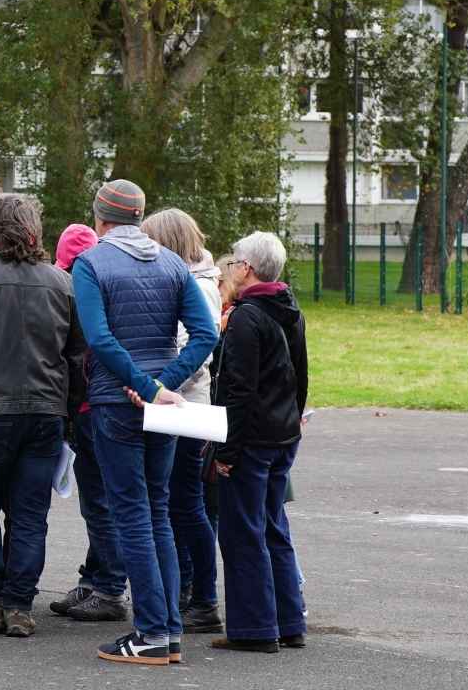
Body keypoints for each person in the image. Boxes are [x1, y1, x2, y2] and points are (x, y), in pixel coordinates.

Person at [71, 180, 217, 666]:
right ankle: (169, 631)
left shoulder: (92, 263)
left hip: (117, 401)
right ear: (140, 215)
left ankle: (152, 632)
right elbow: (205, 334)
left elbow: (99, 338)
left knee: (132, 513)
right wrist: (164, 383)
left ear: (100, 218)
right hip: (163, 405)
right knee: (158, 513)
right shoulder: (173, 263)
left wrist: (146, 385)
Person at [0, 195, 85, 638]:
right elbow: (77, 357)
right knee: (29, 513)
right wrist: (69, 415)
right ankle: (19, 605)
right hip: (45, 413)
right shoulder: (61, 283)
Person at [209, 232, 309, 654]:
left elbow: (239, 390)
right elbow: (300, 375)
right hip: (283, 433)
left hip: (252, 439)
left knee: (243, 531)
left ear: (246, 269)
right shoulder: (289, 309)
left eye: (233, 262)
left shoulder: (248, 317)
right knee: (272, 527)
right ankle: (289, 620)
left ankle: (254, 628)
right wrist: (293, 420)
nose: (230, 269)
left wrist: (226, 451)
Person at [140, 208, 225, 634]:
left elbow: (200, 348)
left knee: (186, 504)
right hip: (177, 403)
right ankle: (188, 587)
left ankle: (203, 596)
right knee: (177, 503)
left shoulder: (197, 285)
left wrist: (159, 382)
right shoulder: (189, 279)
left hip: (186, 406)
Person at [47, 223, 128, 624]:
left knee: (99, 501)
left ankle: (110, 587)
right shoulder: (108, 279)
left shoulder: (75, 289)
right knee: (103, 498)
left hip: (90, 406)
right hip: (103, 403)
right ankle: (95, 577)